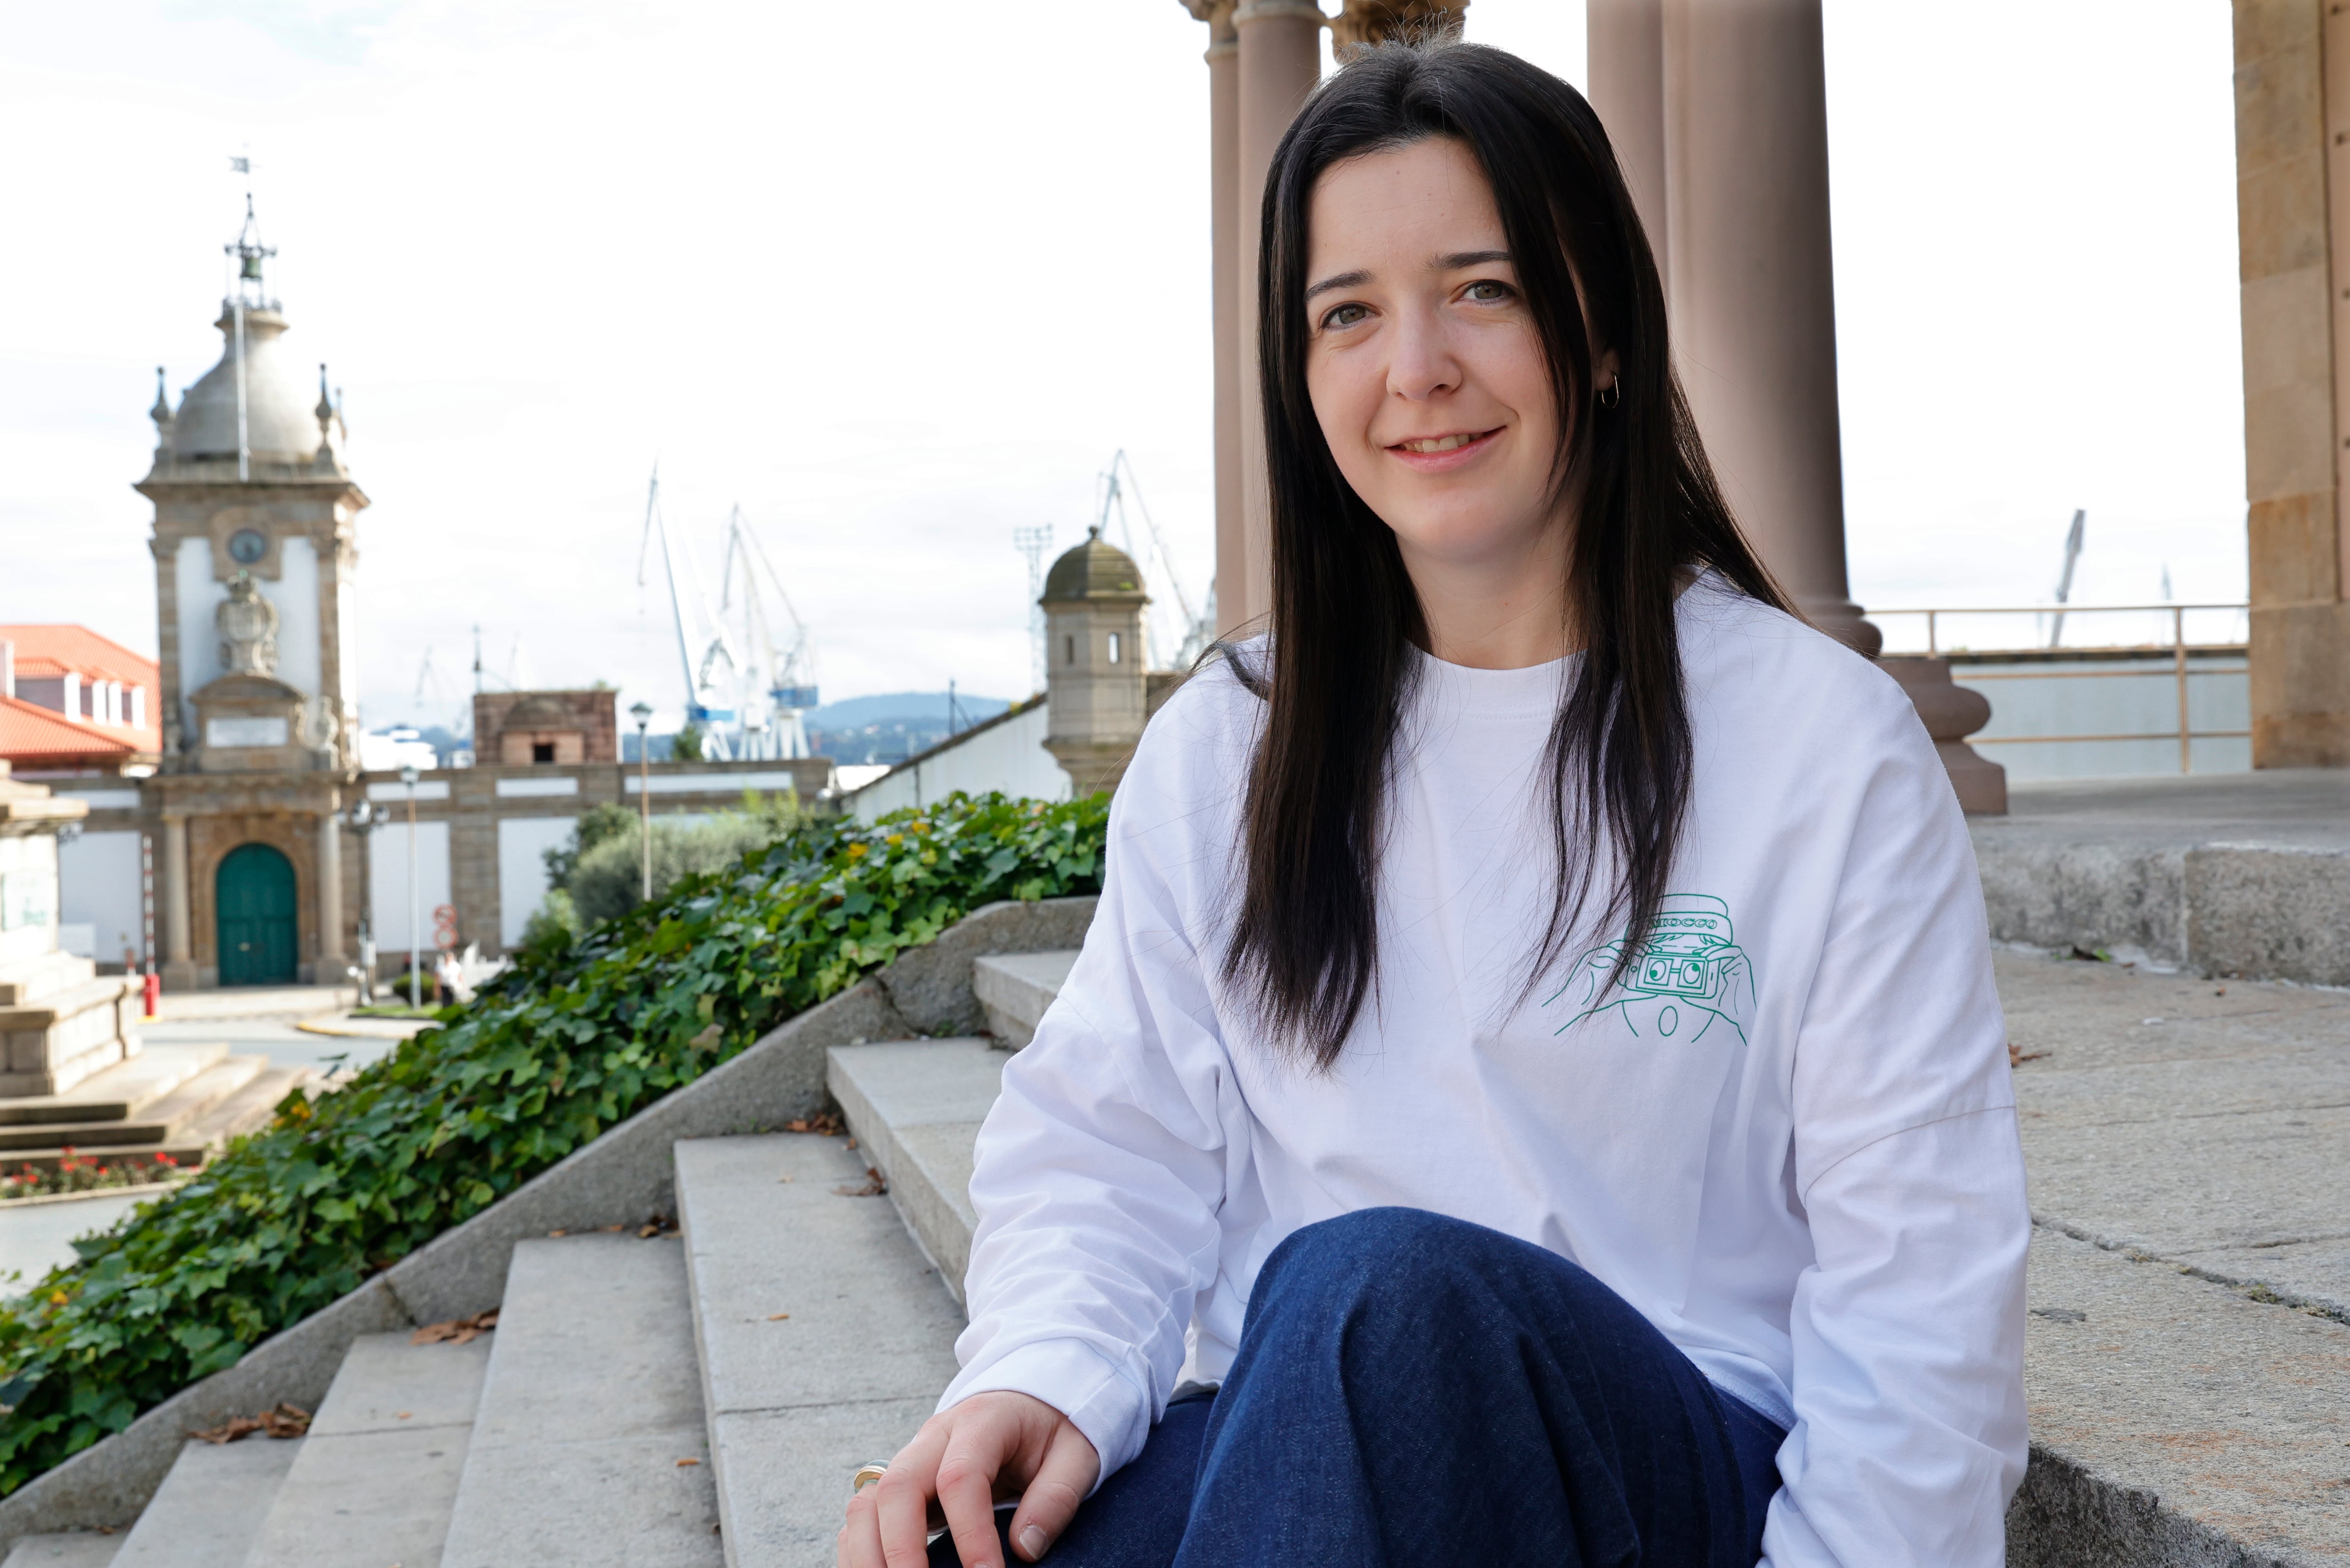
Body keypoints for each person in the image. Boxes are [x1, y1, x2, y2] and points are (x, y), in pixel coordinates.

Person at [840, 37, 2026, 1568]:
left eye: (1484, 288)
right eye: (1348, 315)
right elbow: (1110, 1137)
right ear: (1303, 373)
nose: (1416, 371)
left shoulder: (1821, 746)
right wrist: (1038, 1368)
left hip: (1672, 1462)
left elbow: (1919, 1288)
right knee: (954, 1539)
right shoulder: (1232, 746)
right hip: (1307, 1432)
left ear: (1598, 326)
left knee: (1378, 1304)